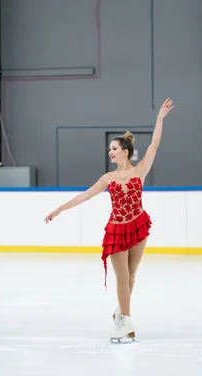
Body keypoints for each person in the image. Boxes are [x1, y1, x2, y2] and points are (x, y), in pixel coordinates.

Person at [44, 98, 174, 342]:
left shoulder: (140, 170)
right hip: (116, 230)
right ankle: (125, 321)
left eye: (114, 149)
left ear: (125, 152)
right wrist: (60, 208)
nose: (110, 152)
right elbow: (85, 195)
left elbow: (154, 146)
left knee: (132, 275)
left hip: (138, 225)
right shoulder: (108, 178)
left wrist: (159, 119)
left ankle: (120, 314)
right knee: (122, 277)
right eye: (109, 149)